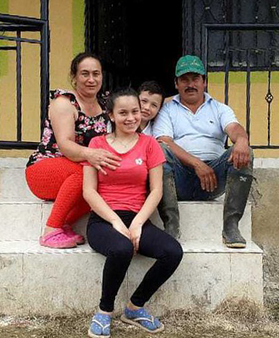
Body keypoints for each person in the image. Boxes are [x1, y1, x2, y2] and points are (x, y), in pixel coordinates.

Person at [83, 88, 183, 337]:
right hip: (103, 220)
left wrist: (138, 223)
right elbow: (89, 192)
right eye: (123, 112)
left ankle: (135, 307)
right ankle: (104, 311)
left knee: (173, 252)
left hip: (137, 217)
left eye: (135, 112)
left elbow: (157, 190)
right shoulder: (97, 145)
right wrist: (116, 221)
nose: (131, 118)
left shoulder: (150, 145)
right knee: (121, 248)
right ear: (111, 115)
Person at [153, 55, 253, 248]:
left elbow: (234, 128)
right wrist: (197, 164)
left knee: (245, 152)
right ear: (176, 83)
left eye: (195, 79)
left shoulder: (219, 108)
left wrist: (242, 139)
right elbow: (164, 141)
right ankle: (171, 226)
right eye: (184, 79)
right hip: (180, 176)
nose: (190, 84)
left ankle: (231, 227)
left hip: (213, 178)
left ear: (204, 82)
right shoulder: (167, 109)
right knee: (159, 150)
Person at [25, 53, 121, 249]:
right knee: (85, 176)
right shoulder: (64, 103)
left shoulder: (105, 105)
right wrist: (91, 155)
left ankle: (65, 222)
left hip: (77, 170)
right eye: (85, 74)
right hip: (44, 170)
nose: (91, 79)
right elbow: (65, 144)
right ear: (74, 77)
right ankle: (52, 229)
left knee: (103, 183)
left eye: (96, 74)